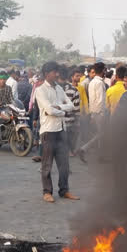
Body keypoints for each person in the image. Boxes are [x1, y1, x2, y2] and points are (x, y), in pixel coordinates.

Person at [34, 61, 80, 203]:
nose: (57, 74)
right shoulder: (40, 90)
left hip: (61, 129)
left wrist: (58, 108)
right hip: (48, 131)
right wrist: (61, 111)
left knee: (64, 164)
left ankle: (64, 190)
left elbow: (71, 105)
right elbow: (49, 110)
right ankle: (47, 192)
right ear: (47, 74)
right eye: (55, 72)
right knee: (46, 164)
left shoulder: (59, 89)